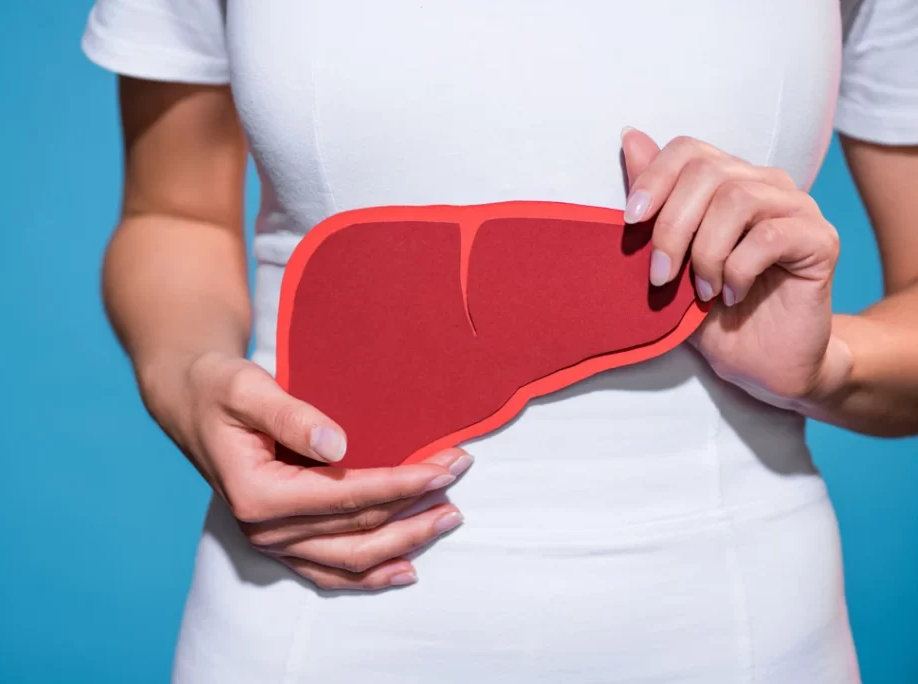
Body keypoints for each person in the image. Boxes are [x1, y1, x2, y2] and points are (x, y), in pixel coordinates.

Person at [81, 1, 918, 681]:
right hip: (312, 611)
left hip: (741, 628)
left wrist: (828, 367)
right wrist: (186, 379)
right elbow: (172, 214)